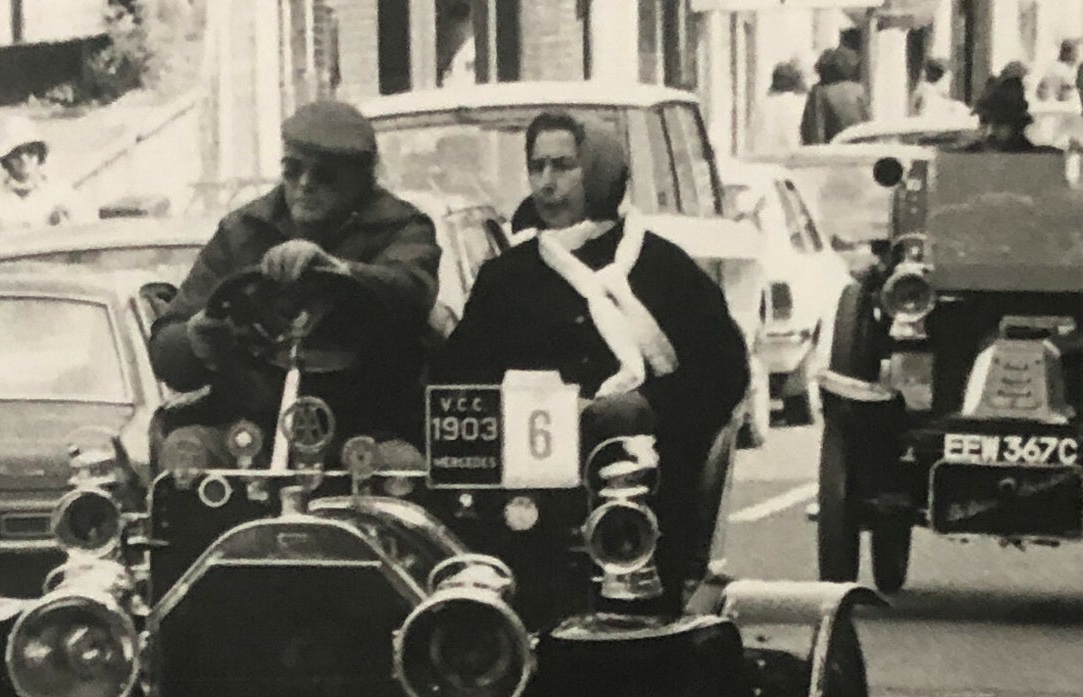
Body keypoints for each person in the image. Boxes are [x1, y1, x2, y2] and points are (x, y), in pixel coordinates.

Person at [437, 112, 750, 596]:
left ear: (601, 172)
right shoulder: (506, 277)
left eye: (564, 166)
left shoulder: (662, 268)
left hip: (646, 488)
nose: (547, 183)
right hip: (523, 497)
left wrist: (644, 408)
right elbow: (459, 378)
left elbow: (724, 373)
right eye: (537, 167)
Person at [148, 99, 441, 470]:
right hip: (251, 429)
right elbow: (167, 343)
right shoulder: (243, 231)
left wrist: (341, 271)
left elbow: (410, 289)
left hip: (366, 427)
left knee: (402, 467)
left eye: (325, 176)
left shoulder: (400, 228)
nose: (305, 185)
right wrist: (196, 337)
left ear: (362, 178)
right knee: (186, 453)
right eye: (292, 170)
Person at [0, 117, 92, 242]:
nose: (24, 158)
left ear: (40, 154)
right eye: (16, 153)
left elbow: (88, 234)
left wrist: (64, 223)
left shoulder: (60, 192)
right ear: (6, 159)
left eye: (30, 151)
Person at [954, 74, 1055, 152]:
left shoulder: (1039, 161)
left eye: (1000, 123)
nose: (990, 132)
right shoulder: (964, 158)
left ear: (1018, 126)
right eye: (984, 121)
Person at [800, 47, 869, 144]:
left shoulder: (820, 92)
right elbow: (867, 121)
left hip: (834, 148)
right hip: (859, 146)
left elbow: (817, 131)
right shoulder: (859, 90)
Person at [751, 61, 808, 154]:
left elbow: (752, 138)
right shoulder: (801, 102)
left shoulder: (763, 104)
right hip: (792, 157)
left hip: (762, 157)